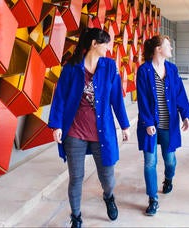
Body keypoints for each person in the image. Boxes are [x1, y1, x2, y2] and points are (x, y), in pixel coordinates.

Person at [48, 27, 130, 228]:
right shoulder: (71, 68)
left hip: (102, 132)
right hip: (75, 131)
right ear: (94, 44)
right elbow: (59, 98)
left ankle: (108, 196)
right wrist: (56, 125)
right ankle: (76, 216)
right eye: (105, 43)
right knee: (76, 177)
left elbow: (116, 99)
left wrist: (125, 125)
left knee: (108, 177)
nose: (108, 48)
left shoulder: (110, 67)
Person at [136, 35, 189, 216]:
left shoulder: (172, 69)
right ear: (158, 49)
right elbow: (142, 99)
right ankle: (153, 199)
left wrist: (185, 116)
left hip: (169, 124)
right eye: (168, 45)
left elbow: (180, 93)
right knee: (150, 162)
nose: (171, 49)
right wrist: (148, 122)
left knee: (170, 160)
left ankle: (168, 179)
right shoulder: (144, 71)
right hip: (150, 126)